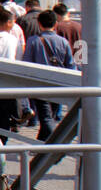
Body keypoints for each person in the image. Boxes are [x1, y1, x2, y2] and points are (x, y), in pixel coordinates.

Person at [22, 9, 77, 141]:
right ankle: (42, 145)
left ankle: (55, 145)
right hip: (58, 83)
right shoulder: (63, 42)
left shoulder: (33, 41)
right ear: (55, 24)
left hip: (40, 84)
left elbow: (26, 63)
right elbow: (70, 64)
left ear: (39, 24)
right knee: (49, 116)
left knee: (46, 117)